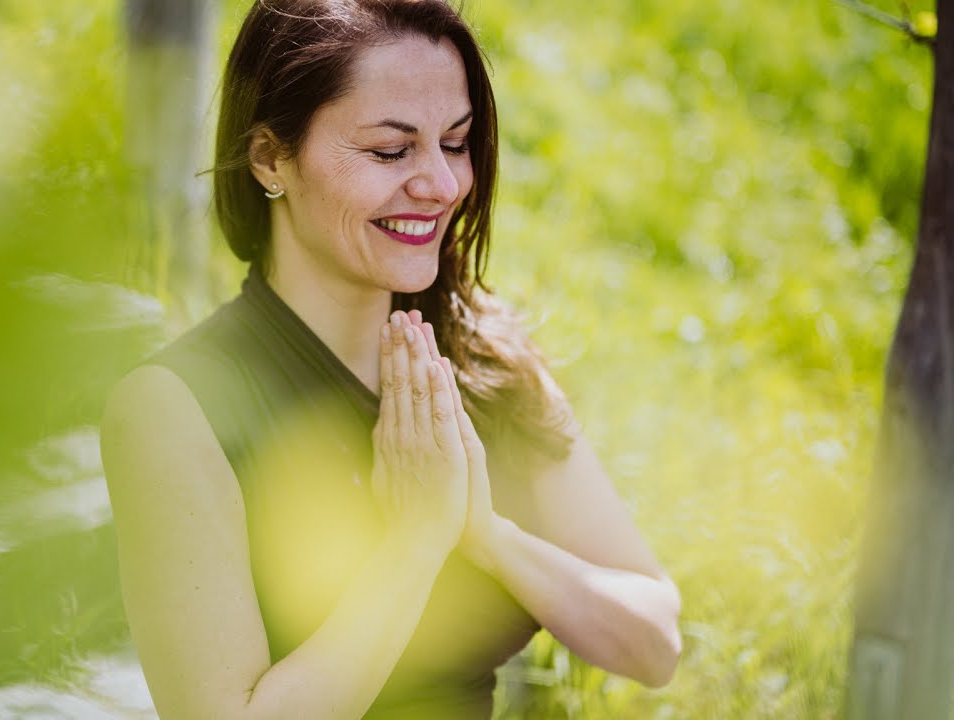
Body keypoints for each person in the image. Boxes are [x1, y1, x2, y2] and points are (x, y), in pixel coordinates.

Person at [100, 0, 682, 717]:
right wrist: (415, 544)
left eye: (457, 142)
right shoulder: (171, 410)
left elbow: (656, 643)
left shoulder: (481, 354)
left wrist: (487, 535)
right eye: (390, 150)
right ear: (269, 157)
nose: (441, 184)